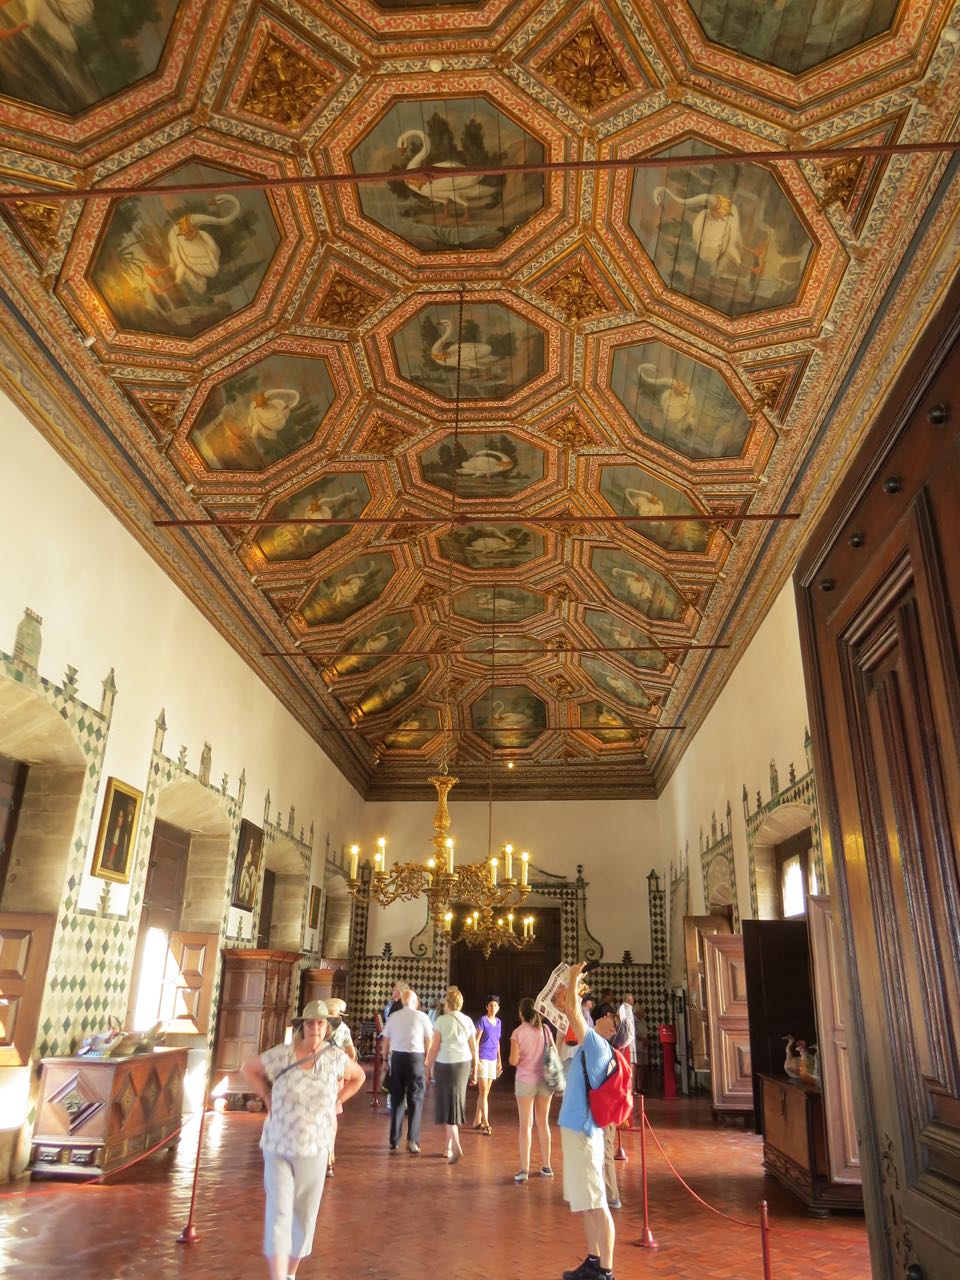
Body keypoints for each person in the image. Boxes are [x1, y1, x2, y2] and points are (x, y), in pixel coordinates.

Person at [241, 999, 365, 1280]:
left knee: (304, 1215)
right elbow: (248, 1069)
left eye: (320, 1023)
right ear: (302, 1026)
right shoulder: (283, 1054)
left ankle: (290, 1274)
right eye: (310, 1023)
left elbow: (358, 1077)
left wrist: (337, 1101)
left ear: (328, 1027)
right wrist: (267, 1096)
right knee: (279, 1212)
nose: (315, 1028)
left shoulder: (335, 1058)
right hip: (278, 1143)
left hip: (315, 1146)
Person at [558, 962, 620, 1280]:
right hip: (576, 1128)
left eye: (610, 1017)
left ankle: (606, 1271)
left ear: (611, 1029)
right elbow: (569, 1012)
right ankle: (594, 1261)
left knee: (597, 1202)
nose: (605, 1015)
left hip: (584, 1132)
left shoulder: (598, 1045)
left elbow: (572, 1011)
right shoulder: (593, 1044)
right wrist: (569, 990)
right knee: (586, 1202)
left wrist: (573, 978)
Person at [425, 986, 478, 1163]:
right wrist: (475, 1070)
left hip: (445, 1063)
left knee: (448, 1107)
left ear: (447, 1003)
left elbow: (434, 1048)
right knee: (454, 1105)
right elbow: (474, 1048)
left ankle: (456, 1146)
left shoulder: (441, 1021)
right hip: (463, 1064)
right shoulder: (468, 1020)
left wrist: (427, 1066)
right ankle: (447, 1147)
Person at [509, 996, 556, 1183]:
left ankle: (524, 1170)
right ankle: (547, 1166)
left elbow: (513, 1060)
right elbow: (553, 1052)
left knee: (525, 1126)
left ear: (521, 1013)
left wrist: (521, 1057)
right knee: (543, 1123)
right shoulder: (545, 1030)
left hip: (525, 1082)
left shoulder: (517, 1033)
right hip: (545, 1081)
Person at [382, 988, 433, 1154]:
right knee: (415, 1099)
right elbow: (429, 1039)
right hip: (416, 1059)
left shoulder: (393, 1017)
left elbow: (385, 1041)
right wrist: (427, 1059)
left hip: (397, 1058)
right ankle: (412, 1140)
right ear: (415, 1002)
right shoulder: (422, 1017)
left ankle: (394, 1140)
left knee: (396, 1098)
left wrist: (384, 1060)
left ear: (403, 1001)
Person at [323, 998, 356, 1178]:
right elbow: (352, 1054)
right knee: (332, 1114)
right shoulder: (344, 1028)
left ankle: (324, 1153)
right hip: (336, 1076)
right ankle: (330, 1153)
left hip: (317, 1075)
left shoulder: (316, 1025)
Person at [473, 995, 502, 1134]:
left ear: (498, 1008)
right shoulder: (482, 1021)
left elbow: (497, 1041)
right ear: (486, 1007)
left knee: (485, 1092)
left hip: (493, 1059)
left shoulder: (499, 1022)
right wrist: (476, 1058)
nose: (493, 1007)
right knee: (483, 1091)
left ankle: (476, 1120)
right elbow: (476, 1040)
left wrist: (499, 1059)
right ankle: (486, 1123)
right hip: (483, 1057)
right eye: (490, 1005)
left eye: (495, 1005)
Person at [633, 1004, 650, 1095]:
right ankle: (635, 1087)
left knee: (643, 1066)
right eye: (642, 1011)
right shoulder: (634, 1022)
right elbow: (634, 1034)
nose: (643, 1013)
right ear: (637, 1013)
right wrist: (643, 1039)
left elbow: (645, 1032)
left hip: (644, 1046)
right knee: (637, 1067)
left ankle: (640, 1087)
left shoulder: (643, 1021)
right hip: (637, 1047)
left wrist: (646, 1040)